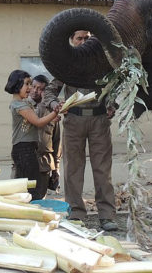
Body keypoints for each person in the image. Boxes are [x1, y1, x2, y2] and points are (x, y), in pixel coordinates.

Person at [42, 30, 118, 231]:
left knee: (103, 169)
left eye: (88, 38)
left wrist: (112, 104)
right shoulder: (67, 66)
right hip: (74, 121)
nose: (84, 42)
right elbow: (49, 91)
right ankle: (76, 213)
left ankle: (107, 215)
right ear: (72, 41)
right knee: (73, 168)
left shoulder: (101, 64)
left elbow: (114, 88)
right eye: (79, 39)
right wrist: (53, 104)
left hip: (99, 121)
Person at [4, 70, 60, 200]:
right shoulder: (19, 105)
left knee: (31, 187)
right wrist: (55, 112)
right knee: (29, 190)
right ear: (17, 86)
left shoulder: (25, 103)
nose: (31, 89)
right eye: (27, 84)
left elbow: (35, 121)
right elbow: (38, 122)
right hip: (24, 150)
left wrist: (51, 118)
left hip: (29, 149)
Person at [29, 74, 61, 199]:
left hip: (44, 163)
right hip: (26, 161)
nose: (36, 91)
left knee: (39, 200)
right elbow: (36, 120)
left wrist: (56, 168)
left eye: (41, 89)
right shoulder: (24, 106)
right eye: (33, 87)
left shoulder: (52, 113)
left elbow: (57, 141)